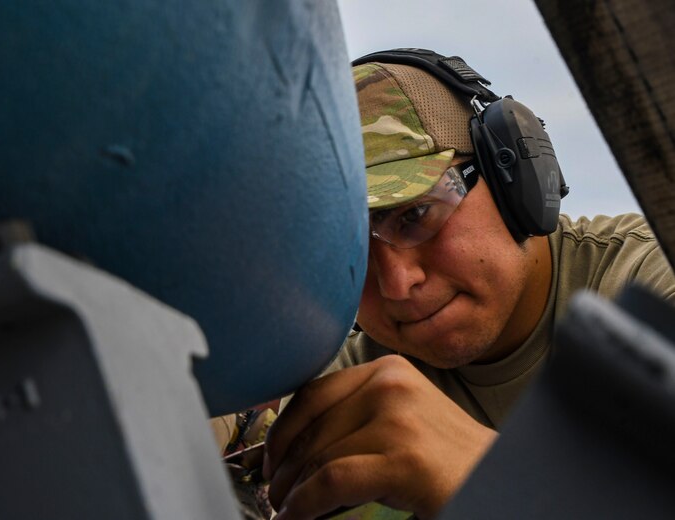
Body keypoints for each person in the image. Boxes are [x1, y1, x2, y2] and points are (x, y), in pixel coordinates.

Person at [261, 51, 675, 520]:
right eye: (347, 253)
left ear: (511, 177)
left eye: (415, 214)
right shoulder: (342, 385)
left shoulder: (656, 287)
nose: (398, 283)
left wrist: (490, 479)